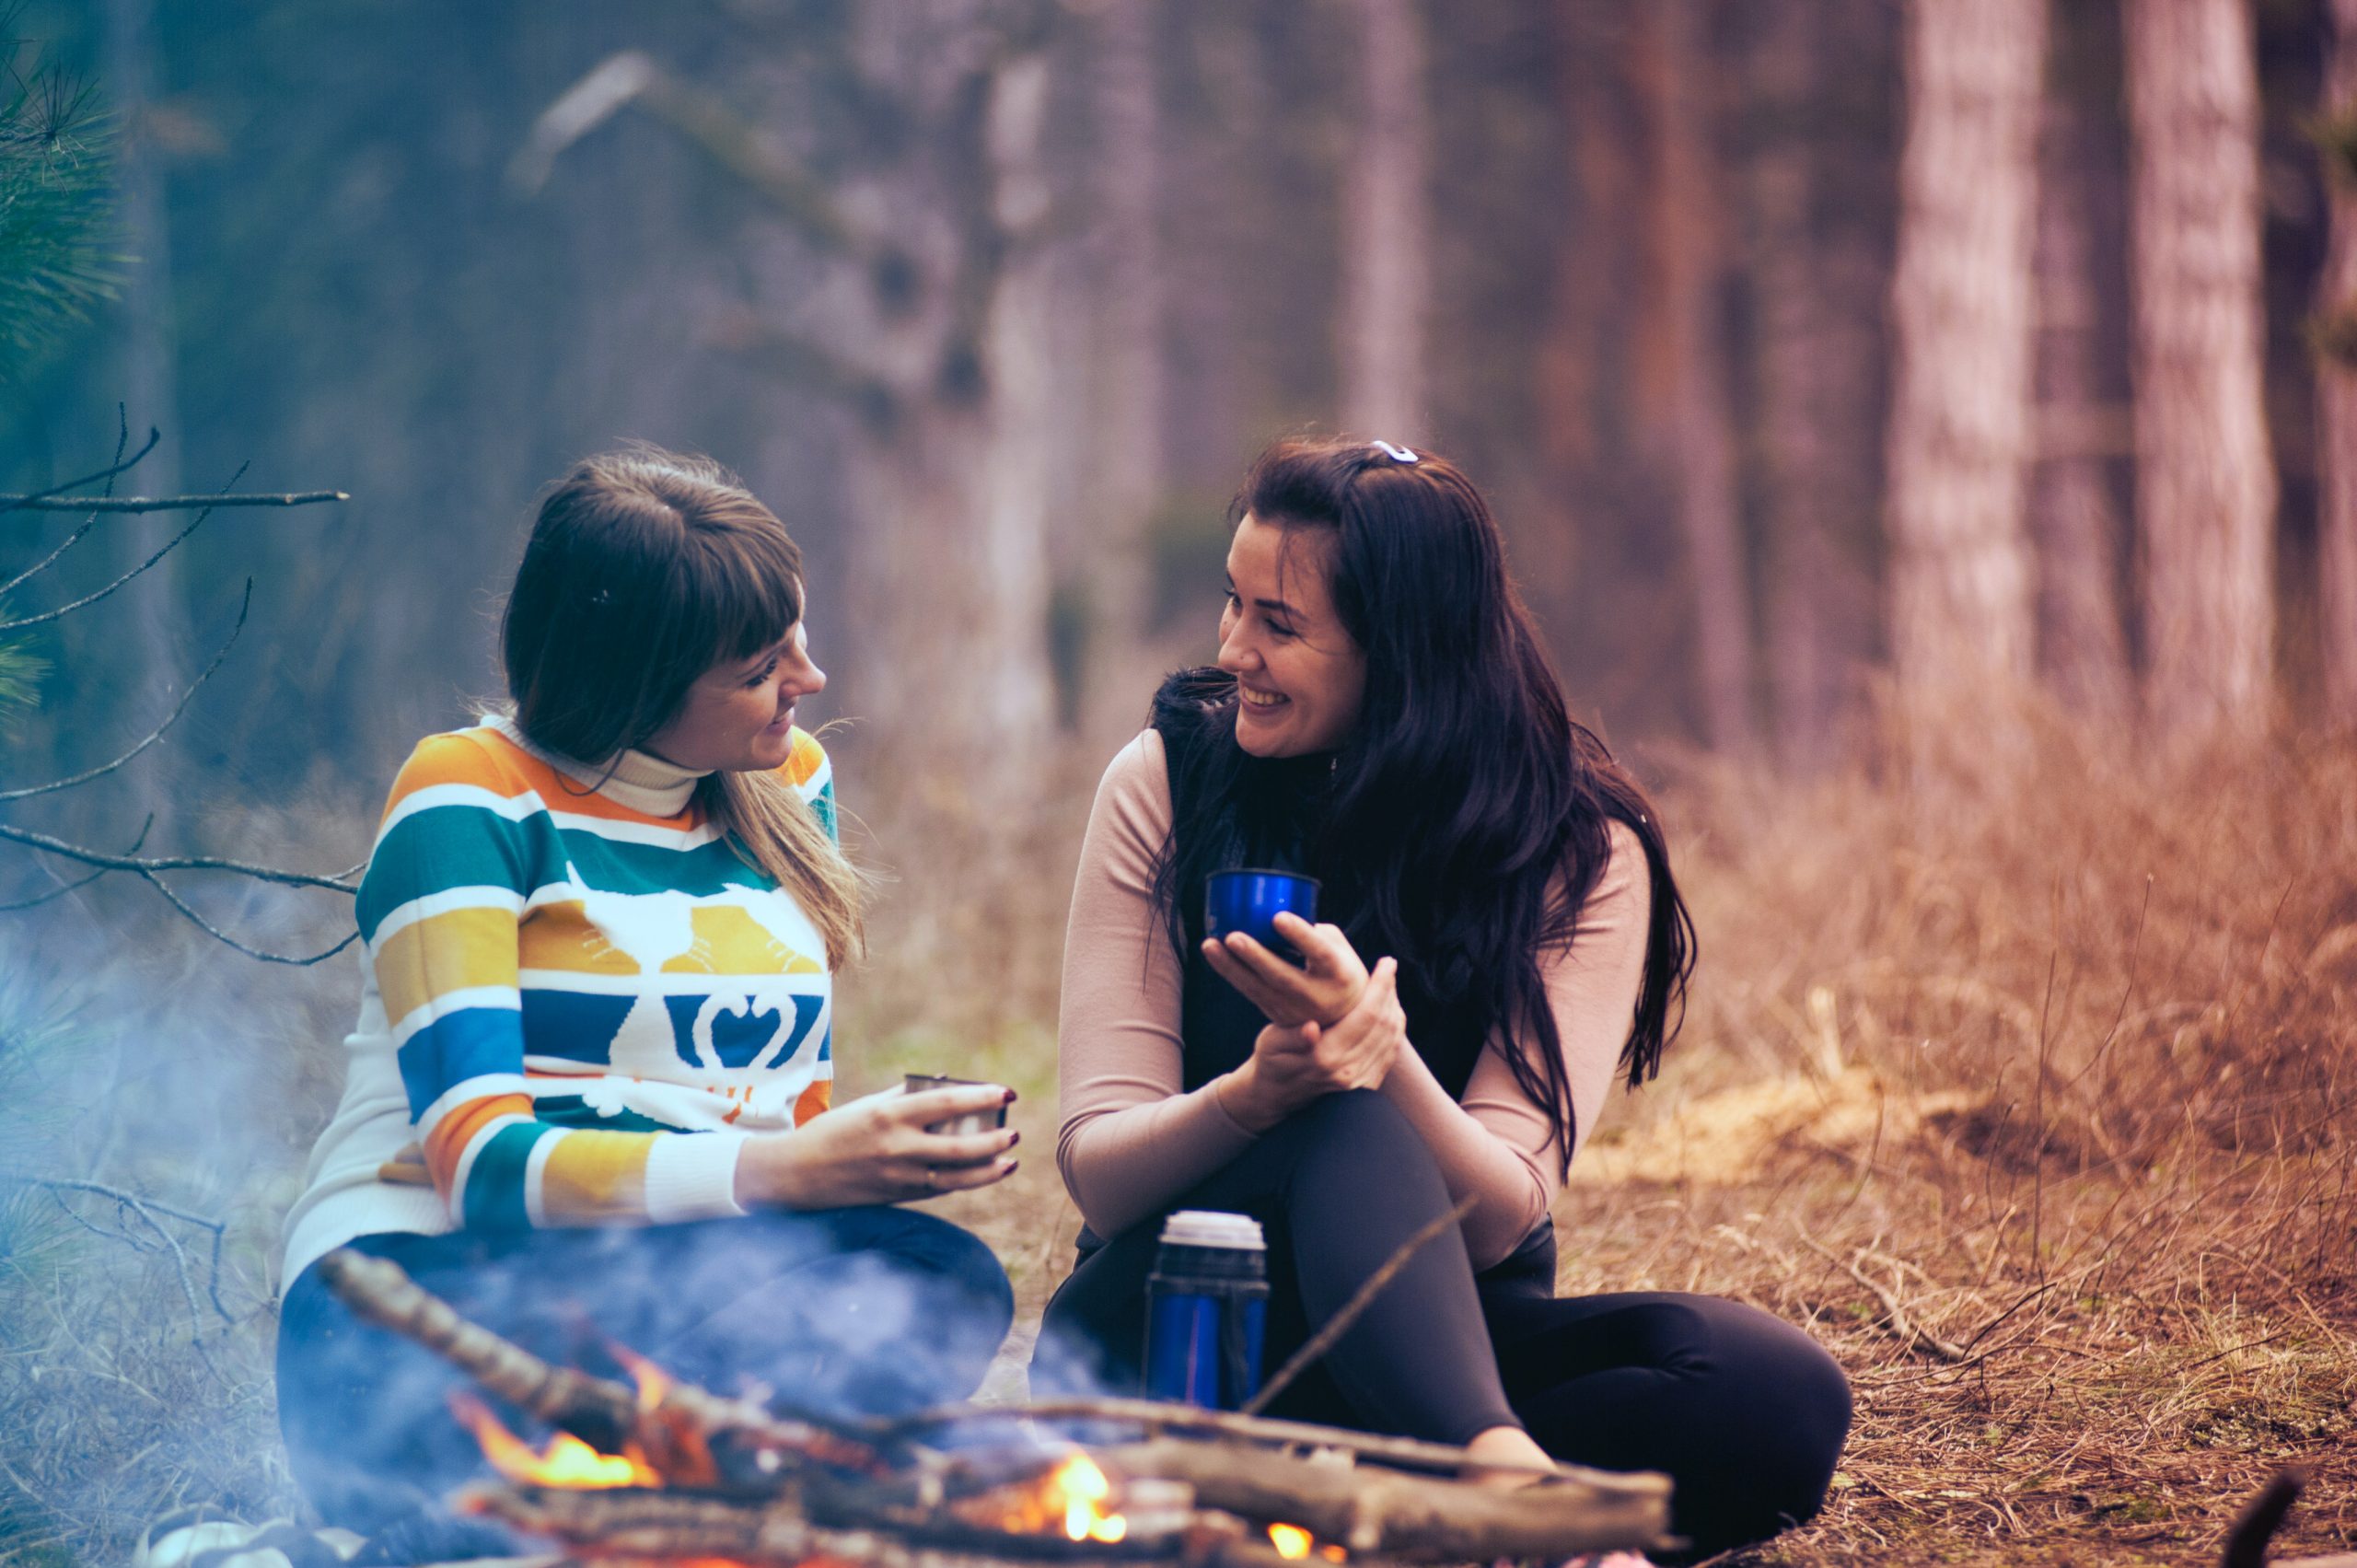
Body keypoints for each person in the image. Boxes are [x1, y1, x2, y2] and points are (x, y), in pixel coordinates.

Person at [1036, 436, 1851, 1560]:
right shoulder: (1168, 782)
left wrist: (1386, 1057)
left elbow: (1504, 1207)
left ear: (1403, 649)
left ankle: (1399, 1502)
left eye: (1279, 623)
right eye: (1233, 604)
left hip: (1436, 1342)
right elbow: (1102, 1169)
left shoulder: (1577, 847)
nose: (1233, 649)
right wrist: (1258, 1095)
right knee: (1334, 1115)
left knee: (1774, 1391)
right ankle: (1505, 1497)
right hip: (1174, 1338)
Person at [276, 448, 1017, 1553]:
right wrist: (788, 1172)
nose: (808, 679)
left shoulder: (786, 781)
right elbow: (480, 1168)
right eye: (765, 663)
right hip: (417, 1304)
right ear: (635, 680)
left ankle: (652, 1517)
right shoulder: (469, 794)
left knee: (936, 1275)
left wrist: (855, 1162)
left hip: (667, 1284)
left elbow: (778, 1104)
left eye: (798, 638)